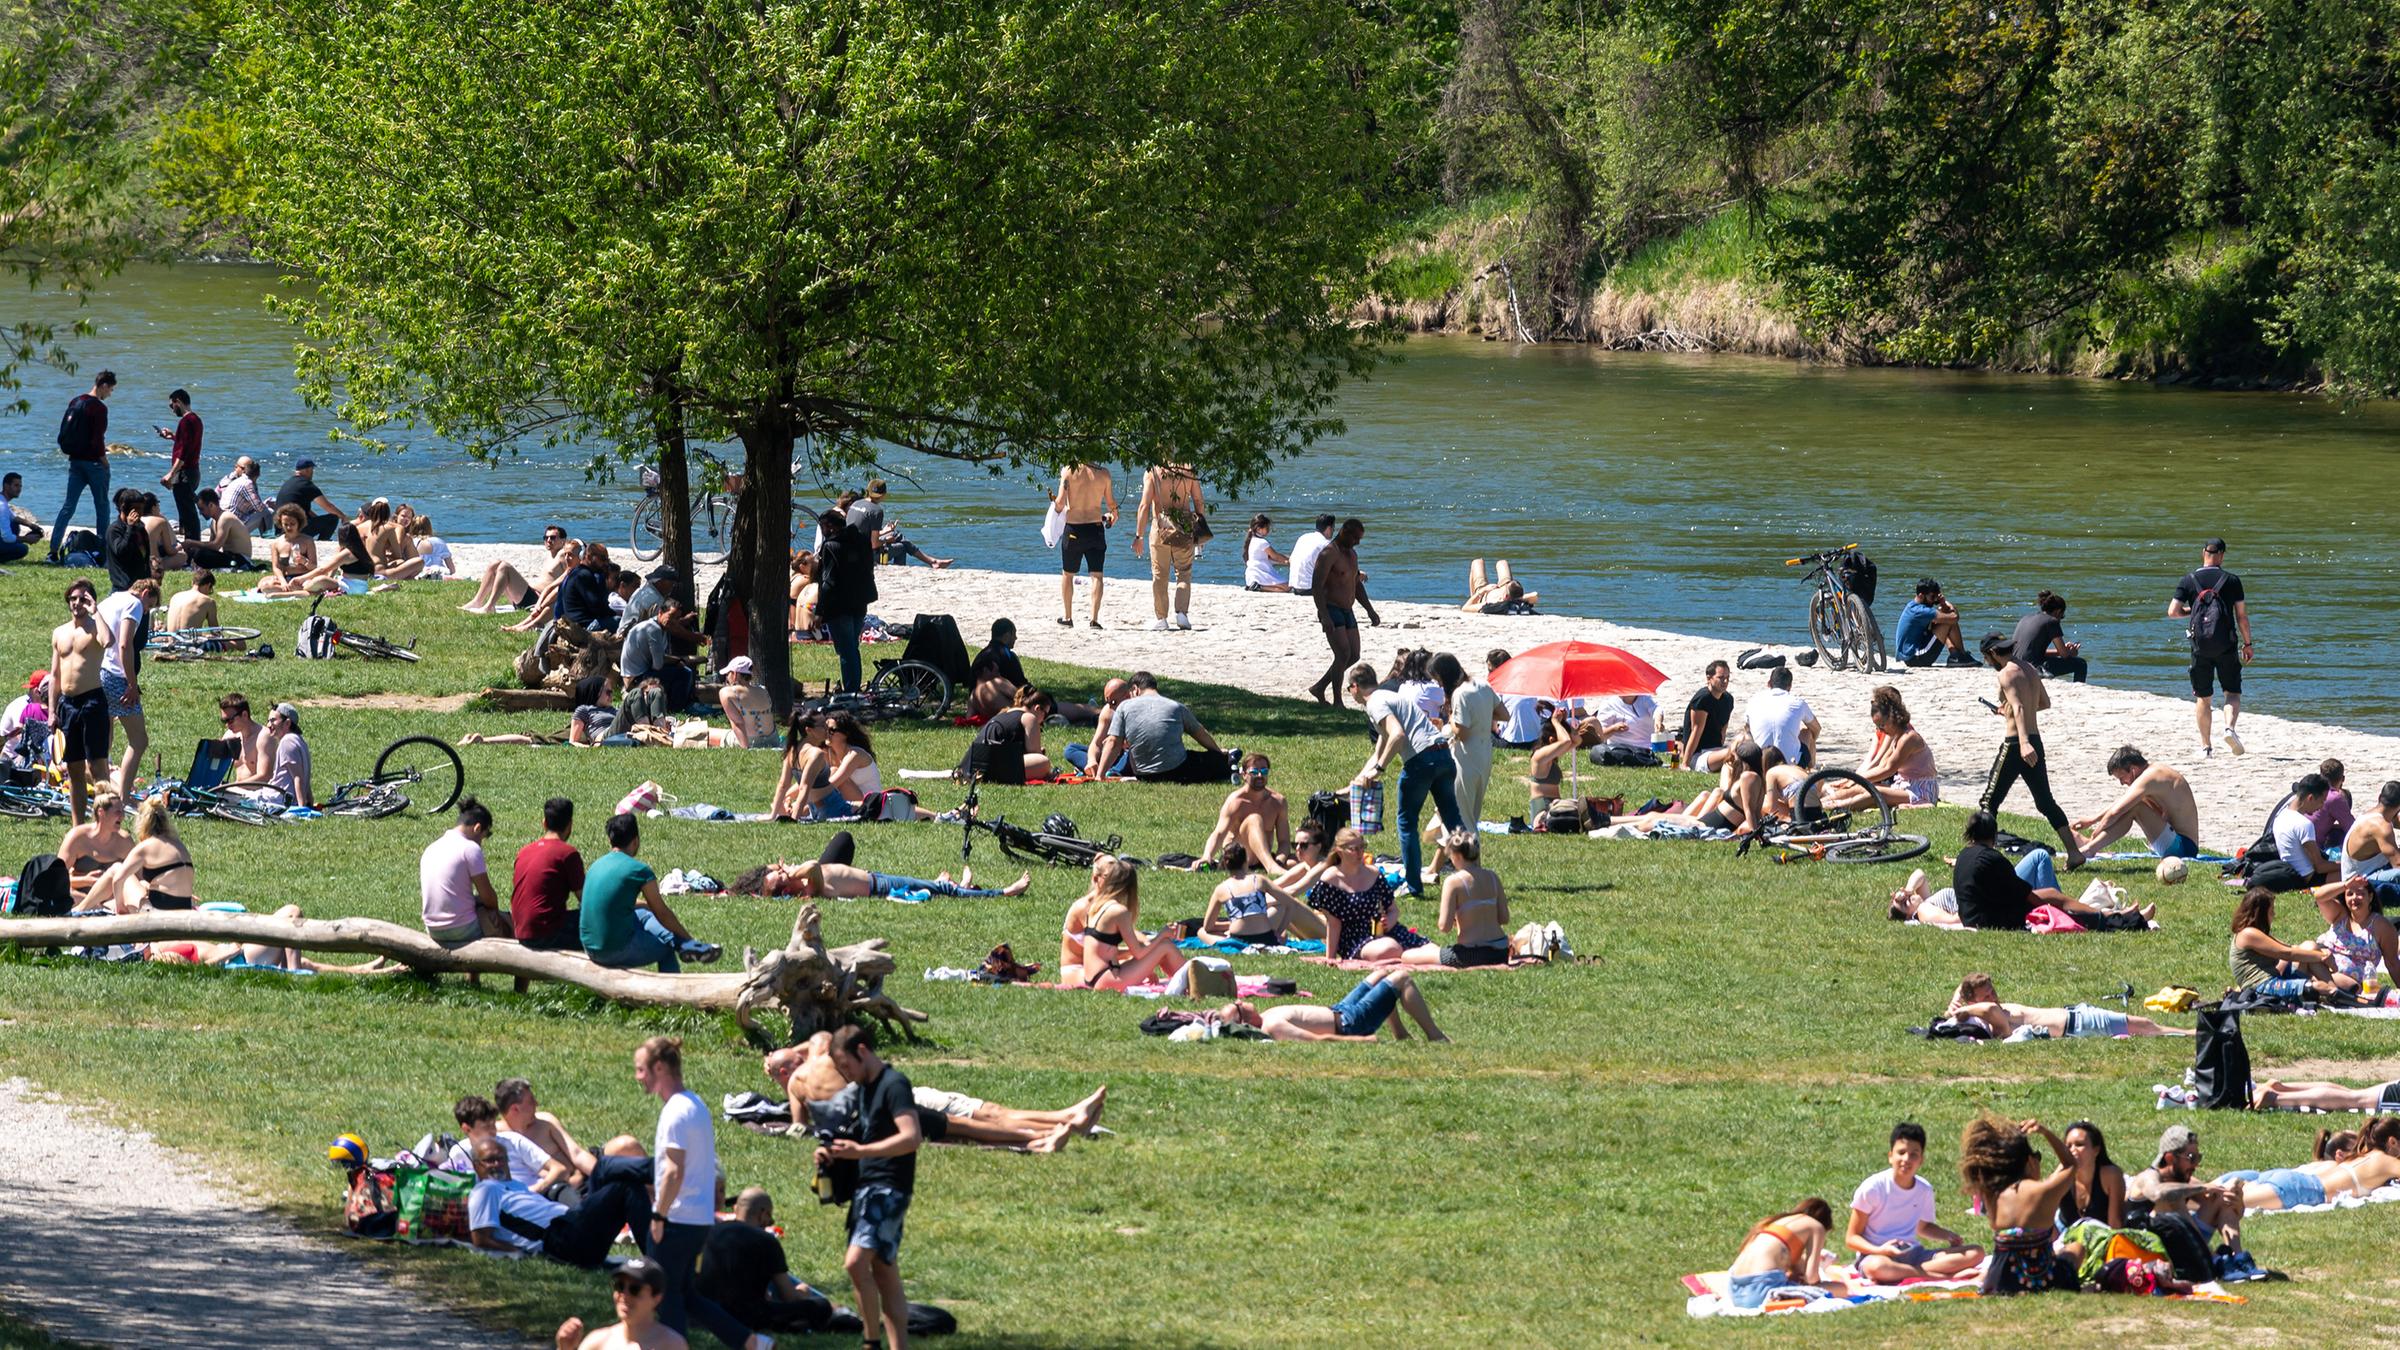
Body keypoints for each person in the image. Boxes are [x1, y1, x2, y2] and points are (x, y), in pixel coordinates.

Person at [764, 1034, 1108, 1154]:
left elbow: (799, 1125)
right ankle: (1056, 1128)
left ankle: (1059, 1124)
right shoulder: (823, 1054)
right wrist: (793, 1052)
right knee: (974, 1118)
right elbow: (821, 1037)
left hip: (874, 1113)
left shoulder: (796, 1084)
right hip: (893, 1101)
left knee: (972, 1120)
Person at [634, 1037, 759, 1349]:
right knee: (686, 1292)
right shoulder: (695, 1104)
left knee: (664, 1294)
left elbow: (674, 1171)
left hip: (676, 1218)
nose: (638, 1077)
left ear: (659, 1067)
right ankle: (750, 1342)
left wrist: (659, 1215)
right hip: (698, 1219)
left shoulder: (676, 1112)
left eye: (640, 1069)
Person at [814, 1025, 921, 1350]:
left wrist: (861, 1152)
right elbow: (867, 1135)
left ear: (862, 1051)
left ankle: (870, 1342)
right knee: (884, 1272)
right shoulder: (864, 1088)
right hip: (867, 1187)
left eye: (847, 1065)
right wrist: (835, 1154)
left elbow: (911, 1137)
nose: (846, 1074)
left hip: (888, 1188)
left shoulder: (894, 1084)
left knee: (855, 1262)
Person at [1349, 661, 1460, 897]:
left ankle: (1413, 885)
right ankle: (1475, 875)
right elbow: (1383, 743)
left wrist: (1379, 769)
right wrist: (1358, 778)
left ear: (1354, 687)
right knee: (1453, 820)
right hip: (1443, 754)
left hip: (1422, 761)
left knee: (1407, 822)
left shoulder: (1375, 703)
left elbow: (1397, 735)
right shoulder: (1388, 696)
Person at [466, 1138, 660, 1270]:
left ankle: (660, 1171)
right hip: (561, 1240)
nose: (497, 1164)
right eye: (489, 1160)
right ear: (476, 1165)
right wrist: (519, 1252)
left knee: (604, 1170)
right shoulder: (485, 1190)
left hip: (573, 1227)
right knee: (623, 1186)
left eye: (501, 1159)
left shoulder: (515, 1186)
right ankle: (659, 1263)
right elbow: (480, 1237)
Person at [1976, 631, 2082, 867]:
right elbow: (2043, 703)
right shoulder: (2029, 669)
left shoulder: (2006, 674)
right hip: (2035, 740)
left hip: (2016, 745)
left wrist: (2022, 743)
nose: (1987, 662)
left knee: (1989, 802)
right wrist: (2009, 711)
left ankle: (1980, 856)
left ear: (1993, 653)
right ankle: (2074, 853)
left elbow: (2021, 708)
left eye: (1986, 658)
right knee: (2045, 802)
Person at [1949, 811, 2147, 931]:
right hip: (1991, 920)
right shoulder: (1992, 858)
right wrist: (2054, 910)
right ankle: (2116, 918)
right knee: (2054, 897)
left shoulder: (1964, 856)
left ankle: (2107, 913)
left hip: (1974, 915)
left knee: (2053, 895)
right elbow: (2025, 894)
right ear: (1993, 835)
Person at [581, 814, 722, 972]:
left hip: (589, 945)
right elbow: (662, 913)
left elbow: (611, 902)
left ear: (610, 840)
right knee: (665, 949)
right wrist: (688, 936)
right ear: (636, 841)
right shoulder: (639, 870)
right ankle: (672, 988)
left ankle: (682, 944)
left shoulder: (595, 866)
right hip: (612, 950)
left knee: (643, 912)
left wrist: (646, 906)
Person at [1845, 1122, 1983, 1283]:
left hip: (1913, 1254)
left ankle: (1915, 1272)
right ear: (1890, 1156)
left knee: (1976, 1252)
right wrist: (1881, 1250)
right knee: (1877, 1268)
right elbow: (1851, 1238)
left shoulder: (1924, 1189)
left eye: (1913, 1154)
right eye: (1901, 1153)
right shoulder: (1873, 1188)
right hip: (1877, 1255)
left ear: (1921, 1160)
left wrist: (1948, 1235)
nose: (1906, 1159)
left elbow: (1923, 1228)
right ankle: (1941, 1275)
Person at [1958, 1117, 2079, 1295]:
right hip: (2047, 1278)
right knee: (2076, 1248)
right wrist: (2045, 1133)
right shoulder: (2044, 1191)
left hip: (2002, 1279)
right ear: (2030, 1162)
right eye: (2038, 1157)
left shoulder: (1992, 1195)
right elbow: (2071, 1164)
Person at [696, 1189, 833, 1336]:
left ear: (736, 1209)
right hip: (748, 1317)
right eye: (770, 1218)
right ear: (763, 1214)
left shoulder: (711, 1232)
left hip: (709, 1312)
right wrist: (803, 1291)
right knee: (821, 1306)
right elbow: (789, 1297)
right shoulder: (765, 1241)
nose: (770, 1222)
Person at [2168, 537, 2252, 757]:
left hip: (2200, 646)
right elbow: (2241, 617)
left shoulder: (2188, 580)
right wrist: (2248, 644)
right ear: (2222, 555)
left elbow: (2173, 612)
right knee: (2232, 692)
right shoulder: (2232, 581)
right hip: (2226, 645)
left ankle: (2206, 747)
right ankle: (2229, 729)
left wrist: (2193, 609)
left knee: (2203, 698)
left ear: (2202, 553)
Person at [1059, 854, 1188, 990]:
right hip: (1079, 973)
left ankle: (1186, 981)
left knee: (1155, 950)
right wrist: (1161, 936)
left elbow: (1132, 937)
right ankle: (1191, 982)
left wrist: (1147, 951)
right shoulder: (1088, 908)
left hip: (1096, 974)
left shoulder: (1101, 907)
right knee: (1164, 946)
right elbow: (1135, 951)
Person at [1221, 968, 1450, 1042]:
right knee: (1401, 977)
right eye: (1238, 1006)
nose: (1241, 1000)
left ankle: (1400, 1034)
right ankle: (1436, 1036)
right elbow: (1318, 1040)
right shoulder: (1273, 1027)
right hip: (1349, 1023)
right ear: (1243, 1021)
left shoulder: (1266, 1015)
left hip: (1340, 1009)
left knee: (1381, 974)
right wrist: (1360, 1040)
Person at [2218, 1118, 2400, 1211]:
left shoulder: (2364, 1153)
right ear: (2392, 1142)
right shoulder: (2385, 1161)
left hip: (2295, 1179)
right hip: (2304, 1191)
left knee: (2213, 1196)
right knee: (2218, 1203)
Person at [1307, 826, 1430, 961]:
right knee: (1390, 949)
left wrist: (1388, 921)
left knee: (1429, 948)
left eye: (1362, 847)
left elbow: (1393, 910)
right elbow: (1334, 924)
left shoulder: (1374, 874)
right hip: (1355, 940)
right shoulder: (1331, 880)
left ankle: (1444, 957)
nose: (1360, 853)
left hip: (1382, 931)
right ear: (1339, 852)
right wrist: (1330, 958)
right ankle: (1411, 958)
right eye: (1354, 849)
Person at [2128, 1125, 2247, 1259]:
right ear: (2170, 1158)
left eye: (2198, 1158)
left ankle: (2238, 1258)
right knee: (2171, 1198)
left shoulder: (2186, 1180)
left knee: (2219, 1197)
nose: (2195, 1165)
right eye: (2191, 1158)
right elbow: (2158, 1193)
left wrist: (2238, 1204)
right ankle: (2209, 1258)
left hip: (2181, 1242)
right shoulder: (2147, 1177)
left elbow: (2224, 1204)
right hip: (2146, 1247)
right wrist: (2202, 1188)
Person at [1397, 831, 1511, 968]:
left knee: (1406, 956)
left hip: (1470, 954)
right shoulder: (1493, 877)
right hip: (1501, 951)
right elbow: (1504, 918)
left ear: (1456, 855)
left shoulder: (1454, 882)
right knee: (1432, 950)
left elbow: (1444, 926)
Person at [1945, 972, 2188, 1037]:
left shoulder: (1988, 1008)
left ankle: (2192, 1033)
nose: (1993, 998)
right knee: (2145, 1026)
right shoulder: (1992, 1019)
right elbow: (1989, 1010)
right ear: (1974, 1002)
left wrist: (1955, 1004)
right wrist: (1962, 1008)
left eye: (1993, 992)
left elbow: (1968, 992)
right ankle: (2193, 1034)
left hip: (2078, 1015)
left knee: (2145, 1026)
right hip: (2079, 1024)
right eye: (1986, 996)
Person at [1816, 686, 1937, 811]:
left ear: (1893, 717)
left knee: (1874, 793)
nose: (1880, 730)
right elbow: (1882, 764)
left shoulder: (1909, 738)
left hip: (1921, 791)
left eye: (1882, 725)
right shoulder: (1897, 736)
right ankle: (1818, 803)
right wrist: (1852, 780)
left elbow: (1888, 769)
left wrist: (1856, 779)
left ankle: (1832, 807)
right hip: (1903, 786)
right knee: (1861, 787)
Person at [2072, 746, 2202, 859]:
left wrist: (2095, 834)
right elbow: (2122, 801)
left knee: (2136, 808)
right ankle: (2091, 847)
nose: (2122, 783)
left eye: (2122, 778)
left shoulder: (2150, 776)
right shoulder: (2152, 773)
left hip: (2184, 848)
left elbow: (2116, 812)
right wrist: (2092, 820)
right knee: (2133, 803)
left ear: (2133, 770)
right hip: (2177, 842)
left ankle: (2089, 849)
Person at [728, 856, 1029, 902]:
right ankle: (1003, 892)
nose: (782, 867)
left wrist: (777, 873)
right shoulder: (812, 887)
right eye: (781, 873)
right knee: (940, 890)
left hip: (877, 878)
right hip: (882, 886)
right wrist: (790, 871)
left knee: (932, 885)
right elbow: (812, 866)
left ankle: (955, 885)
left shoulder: (802, 885)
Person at [2230, 885, 2346, 1001]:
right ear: (2259, 913)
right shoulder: (2248, 934)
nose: (2274, 915)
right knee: (2314, 988)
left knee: (2309, 947)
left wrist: (2318, 953)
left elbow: (2290, 948)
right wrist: (2322, 956)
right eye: (2271, 912)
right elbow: (2286, 953)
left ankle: (2335, 991)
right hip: (2261, 986)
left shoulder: (2255, 932)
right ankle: (2334, 993)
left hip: (2274, 977)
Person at [1109, 672, 1228, 784]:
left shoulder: (1124, 707)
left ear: (1135, 689)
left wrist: (1100, 774)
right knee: (1217, 761)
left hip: (1143, 775)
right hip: (1177, 770)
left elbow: (1113, 743)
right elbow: (1200, 734)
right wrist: (1218, 752)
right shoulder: (1176, 706)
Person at [1307, 519, 1378, 706]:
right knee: (1342, 654)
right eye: (1355, 537)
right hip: (1331, 608)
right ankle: (1337, 700)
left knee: (1354, 654)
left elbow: (1355, 584)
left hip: (1348, 609)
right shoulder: (1329, 554)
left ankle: (1319, 687)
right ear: (1344, 532)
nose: (1358, 542)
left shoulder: (1352, 555)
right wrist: (1324, 615)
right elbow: (1316, 586)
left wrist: (1370, 610)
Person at [97, 575, 155, 800]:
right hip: (115, 676)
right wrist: (132, 683)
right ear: (145, 594)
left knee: (105, 739)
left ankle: (103, 791)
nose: (147, 610)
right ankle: (123, 796)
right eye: (150, 605)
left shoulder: (109, 600)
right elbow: (124, 644)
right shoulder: (134, 604)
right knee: (139, 740)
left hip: (96, 673)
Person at [1197, 842, 1324, 944]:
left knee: (1201, 932)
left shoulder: (1221, 889)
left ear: (1225, 864)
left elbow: (1208, 926)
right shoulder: (1259, 879)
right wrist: (1278, 933)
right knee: (1280, 911)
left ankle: (1225, 941)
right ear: (1246, 861)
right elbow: (1290, 904)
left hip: (1237, 938)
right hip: (1266, 937)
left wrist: (1231, 925)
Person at [551, 1256, 687, 1350]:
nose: (624, 1295)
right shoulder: (598, 1341)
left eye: (635, 1289)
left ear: (656, 1297)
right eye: (620, 1286)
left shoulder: (671, 1344)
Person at [420, 797, 505, 949]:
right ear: (477, 828)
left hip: (432, 929)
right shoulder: (470, 849)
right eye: (483, 837)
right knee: (507, 923)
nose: (480, 843)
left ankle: (472, 973)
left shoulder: (432, 847)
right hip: (460, 928)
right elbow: (489, 898)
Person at [1720, 1199, 1832, 1311]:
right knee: (1840, 1288)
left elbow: (1796, 1270)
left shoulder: (1777, 1224)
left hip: (1735, 1291)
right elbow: (1811, 1278)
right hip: (1762, 1292)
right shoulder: (1816, 1226)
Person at [1132, 461, 1206, 630]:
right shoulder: (1188, 469)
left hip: (1161, 526)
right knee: (1184, 572)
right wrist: (1200, 529)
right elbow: (1198, 501)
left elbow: (1144, 505)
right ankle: (1181, 614)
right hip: (1185, 525)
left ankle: (1161, 618)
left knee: (1159, 574)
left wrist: (1139, 535)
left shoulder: (1153, 470)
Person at [50, 370, 115, 557]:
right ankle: (102, 551)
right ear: (103, 386)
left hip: (75, 462)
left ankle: (53, 550)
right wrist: (105, 462)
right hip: (94, 464)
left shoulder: (75, 401)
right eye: (110, 389)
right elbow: (97, 440)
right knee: (102, 507)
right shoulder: (99, 408)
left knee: (68, 506)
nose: (109, 394)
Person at [815, 509, 876, 692]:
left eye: (823, 526)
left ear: (831, 527)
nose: (822, 530)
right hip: (859, 601)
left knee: (846, 650)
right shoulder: (861, 540)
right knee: (852, 647)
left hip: (839, 605)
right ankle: (853, 686)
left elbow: (829, 582)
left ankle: (851, 690)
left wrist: (819, 611)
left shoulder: (831, 546)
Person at [513, 798, 585, 952]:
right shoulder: (567, 853)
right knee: (604, 923)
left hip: (520, 930)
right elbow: (586, 899)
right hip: (546, 934)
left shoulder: (524, 851)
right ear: (570, 825)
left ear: (544, 823)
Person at [1196, 753, 1293, 867]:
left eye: (1264, 771)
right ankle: (1271, 867)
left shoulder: (1278, 802)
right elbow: (1219, 833)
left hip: (1262, 860)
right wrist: (1207, 856)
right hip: (1236, 859)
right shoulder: (1236, 802)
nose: (1260, 775)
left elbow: (1284, 842)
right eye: (1254, 772)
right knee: (1254, 819)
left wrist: (1279, 861)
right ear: (1244, 775)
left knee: (1296, 862)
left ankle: (1272, 866)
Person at [1052, 462, 1116, 628]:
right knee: (1097, 575)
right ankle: (1094, 619)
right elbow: (1112, 506)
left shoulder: (1068, 471)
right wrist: (1112, 515)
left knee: (1068, 574)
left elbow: (1060, 502)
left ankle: (1068, 617)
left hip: (1074, 529)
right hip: (1095, 529)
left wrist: (1053, 516)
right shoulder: (1104, 473)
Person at [2252, 773, 2336, 892]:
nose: (2321, 807)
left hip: (2289, 871)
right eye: (2321, 801)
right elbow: (2320, 867)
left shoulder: (2281, 817)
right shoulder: (2304, 824)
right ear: (2310, 798)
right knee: (2349, 873)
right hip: (2305, 878)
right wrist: (2344, 863)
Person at [955, 686, 1055, 786]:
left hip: (971, 765)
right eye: (1045, 714)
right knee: (1043, 762)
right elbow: (1035, 753)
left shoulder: (1005, 712)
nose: (1043, 720)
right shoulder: (1029, 718)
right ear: (1037, 708)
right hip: (993, 769)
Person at [463, 524, 571, 614]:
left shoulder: (563, 555)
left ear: (563, 541)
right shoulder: (551, 554)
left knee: (505, 567)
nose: (548, 540)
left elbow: (571, 576)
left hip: (535, 600)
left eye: (552, 538)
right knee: (495, 564)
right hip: (527, 596)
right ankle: (477, 601)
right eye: (545, 538)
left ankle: (490, 606)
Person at [849, 478, 951, 568]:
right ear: (884, 495)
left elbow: (863, 532)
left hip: (850, 550)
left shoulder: (856, 503)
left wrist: (884, 531)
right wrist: (886, 541)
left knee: (895, 534)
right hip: (864, 555)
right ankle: (902, 569)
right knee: (901, 548)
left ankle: (932, 561)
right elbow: (874, 544)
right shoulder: (876, 510)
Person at [229, 702, 313, 809]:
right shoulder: (300, 741)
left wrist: (302, 809)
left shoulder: (287, 742)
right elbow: (305, 778)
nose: (269, 725)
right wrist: (310, 802)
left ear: (287, 723)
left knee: (225, 792)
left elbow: (298, 777)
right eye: (268, 721)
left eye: (273, 720)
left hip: (274, 800)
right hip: (276, 797)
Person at [621, 597, 698, 713]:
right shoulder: (654, 629)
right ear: (660, 613)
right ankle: (676, 708)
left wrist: (676, 661)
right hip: (634, 678)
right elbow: (658, 665)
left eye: (676, 619)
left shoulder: (659, 626)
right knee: (685, 673)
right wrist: (677, 661)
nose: (673, 622)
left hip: (638, 672)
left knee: (680, 668)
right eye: (670, 617)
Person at [57, 789, 132, 902]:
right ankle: (93, 907)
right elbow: (57, 878)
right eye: (117, 812)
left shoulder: (125, 841)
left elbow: (139, 878)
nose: (122, 816)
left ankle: (97, 908)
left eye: (123, 811)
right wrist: (87, 880)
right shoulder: (77, 837)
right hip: (80, 896)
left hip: (113, 899)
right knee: (63, 893)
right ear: (101, 812)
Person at [1743, 667, 1817, 769]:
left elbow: (1747, 728)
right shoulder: (1798, 703)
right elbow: (1816, 728)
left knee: (1747, 733)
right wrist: (1811, 742)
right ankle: (1809, 770)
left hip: (1759, 762)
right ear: (1789, 686)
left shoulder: (1754, 700)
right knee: (1807, 733)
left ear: (1769, 683)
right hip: (1791, 763)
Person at [153, 387, 204, 538]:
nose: (172, 409)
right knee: (187, 510)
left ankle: (193, 545)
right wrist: (174, 437)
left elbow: (183, 452)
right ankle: (191, 543)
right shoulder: (196, 419)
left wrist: (171, 473)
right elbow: (189, 443)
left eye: (171, 405)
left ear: (178, 402)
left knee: (187, 512)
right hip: (193, 471)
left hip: (184, 473)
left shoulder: (186, 421)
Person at [2057, 1121, 2126, 1229]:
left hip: (2102, 1235)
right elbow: (2043, 1214)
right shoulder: (2061, 1175)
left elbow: (2115, 1223)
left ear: (2096, 1150)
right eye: (2068, 1146)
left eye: (2079, 1145)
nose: (2073, 1150)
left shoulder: (2110, 1176)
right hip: (2065, 1234)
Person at [257, 504, 337, 596]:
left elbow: (314, 567)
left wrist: (304, 561)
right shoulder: (276, 543)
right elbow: (276, 567)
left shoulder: (307, 541)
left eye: (292, 524)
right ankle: (299, 592)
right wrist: (283, 581)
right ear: (280, 523)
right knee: (264, 585)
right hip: (286, 578)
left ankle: (289, 592)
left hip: (304, 578)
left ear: (299, 523)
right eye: (285, 524)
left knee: (311, 584)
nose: (289, 527)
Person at [1893, 577, 1971, 667]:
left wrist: (1943, 604)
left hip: (1912, 655)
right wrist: (1948, 604)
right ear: (1921, 596)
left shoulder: (1913, 606)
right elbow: (1954, 618)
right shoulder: (1921, 611)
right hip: (1915, 657)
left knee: (1943, 617)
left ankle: (1955, 655)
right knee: (1948, 621)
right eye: (1932, 597)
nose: (1934, 600)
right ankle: (1962, 655)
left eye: (1936, 596)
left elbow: (1943, 616)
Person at [2012, 590, 2086, 682]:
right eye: (2062, 616)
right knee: (2081, 664)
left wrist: (2059, 651)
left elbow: (2032, 651)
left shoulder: (2025, 618)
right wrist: (2072, 652)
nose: (2060, 619)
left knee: (2053, 659)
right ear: (2058, 612)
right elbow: (2065, 655)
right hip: (2032, 668)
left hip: (2015, 665)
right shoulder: (2051, 621)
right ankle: (2078, 690)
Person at [2343, 780, 2400, 896]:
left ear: (2380, 797)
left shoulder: (2370, 815)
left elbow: (2396, 821)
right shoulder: (2382, 827)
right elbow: (2397, 864)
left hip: (2358, 876)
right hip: (2361, 882)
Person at [1677, 660, 1734, 770]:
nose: (1725, 681)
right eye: (1721, 678)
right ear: (1709, 678)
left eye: (1727, 677)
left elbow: (1723, 730)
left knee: (1743, 750)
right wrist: (1685, 763)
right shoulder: (1702, 699)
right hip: (1699, 754)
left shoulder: (1728, 699)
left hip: (1716, 750)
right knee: (1734, 752)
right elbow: (1696, 731)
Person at [965, 619, 1026, 718]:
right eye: (1014, 634)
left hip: (984, 709)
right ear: (1007, 635)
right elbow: (1021, 688)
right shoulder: (1006, 657)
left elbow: (969, 717)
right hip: (1011, 710)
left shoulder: (981, 656)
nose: (1016, 638)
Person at [272, 458, 343, 541]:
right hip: (295, 528)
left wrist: (318, 520)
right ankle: (323, 540)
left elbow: (302, 509)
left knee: (316, 520)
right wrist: (343, 517)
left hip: (280, 529)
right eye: (312, 470)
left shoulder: (288, 483)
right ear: (307, 470)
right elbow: (328, 507)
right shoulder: (307, 485)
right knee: (333, 518)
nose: (312, 473)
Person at [1489, 649, 1545, 748]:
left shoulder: (1498, 687)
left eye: (1490, 670)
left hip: (1511, 742)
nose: (1488, 674)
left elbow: (1492, 726)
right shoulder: (1527, 680)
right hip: (1535, 739)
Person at [185, 487, 252, 569]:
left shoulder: (225, 518)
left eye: (202, 509)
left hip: (241, 560)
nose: (200, 513)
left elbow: (216, 545)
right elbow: (210, 547)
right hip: (230, 557)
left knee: (200, 554)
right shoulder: (214, 521)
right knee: (197, 552)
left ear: (211, 505)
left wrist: (192, 542)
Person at [104, 488, 153, 594]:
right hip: (123, 587)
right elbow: (121, 551)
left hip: (141, 584)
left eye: (141, 509)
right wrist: (129, 528)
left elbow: (144, 555)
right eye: (136, 509)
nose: (140, 513)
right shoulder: (114, 530)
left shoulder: (140, 527)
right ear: (124, 508)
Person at [215, 692, 272, 781]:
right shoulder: (229, 736)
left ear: (244, 715)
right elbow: (215, 768)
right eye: (224, 721)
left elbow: (265, 776)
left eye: (230, 720)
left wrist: (234, 787)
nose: (227, 725)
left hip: (260, 791)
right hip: (238, 791)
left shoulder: (264, 737)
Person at [1461, 558, 1537, 613]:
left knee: (1477, 562)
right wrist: (1518, 598)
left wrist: (1483, 590)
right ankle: (1507, 587)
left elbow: (1465, 608)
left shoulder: (1492, 605)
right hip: (1507, 592)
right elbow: (1535, 595)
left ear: (1505, 597)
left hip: (1484, 594)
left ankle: (1473, 598)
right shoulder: (1518, 602)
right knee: (1502, 562)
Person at [215, 456, 268, 533]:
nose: (245, 471)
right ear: (236, 467)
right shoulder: (229, 481)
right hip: (220, 518)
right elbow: (227, 504)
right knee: (266, 512)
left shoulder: (246, 480)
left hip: (230, 517)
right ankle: (268, 535)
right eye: (243, 468)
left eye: (249, 468)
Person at [1286, 513, 1336, 595]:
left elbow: (1291, 560)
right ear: (1329, 528)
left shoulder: (1303, 537)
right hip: (1309, 589)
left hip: (1295, 587)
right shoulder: (1326, 544)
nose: (1334, 530)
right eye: (1333, 528)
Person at [2312, 757, 2355, 851]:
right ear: (2342, 779)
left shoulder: (2309, 789)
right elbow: (2352, 829)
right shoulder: (2335, 798)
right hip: (2314, 849)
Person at [1241, 513, 1289, 592]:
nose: (1269, 530)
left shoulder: (1252, 540)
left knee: (1284, 587)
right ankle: (1259, 587)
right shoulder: (1262, 542)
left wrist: (1288, 559)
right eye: (1267, 528)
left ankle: (1257, 586)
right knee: (1286, 587)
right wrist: (1288, 561)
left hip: (1252, 575)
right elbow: (1275, 556)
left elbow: (1270, 557)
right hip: (1259, 574)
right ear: (1259, 529)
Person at [163, 567, 219, 632]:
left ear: (192, 583)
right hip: (190, 641)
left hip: (171, 640)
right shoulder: (208, 601)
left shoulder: (175, 597)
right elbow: (215, 632)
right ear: (208, 585)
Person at [0, 472, 34, 564]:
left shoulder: (2, 501)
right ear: (6, 486)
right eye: (16, 485)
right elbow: (7, 537)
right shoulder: (2, 506)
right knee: (23, 549)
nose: (19, 489)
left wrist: (32, 526)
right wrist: (26, 539)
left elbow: (13, 517)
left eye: (20, 486)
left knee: (15, 524)